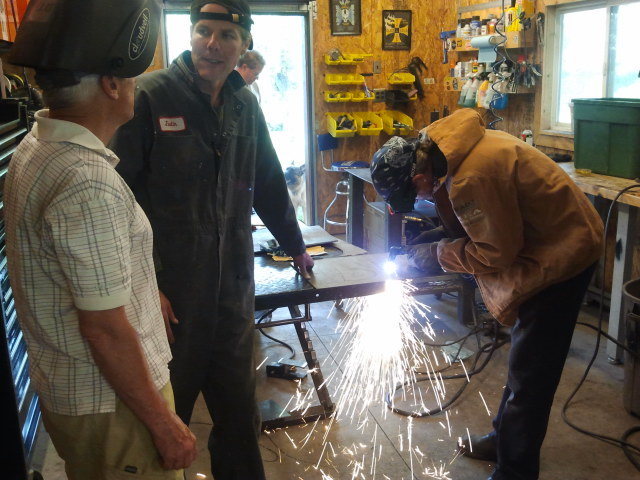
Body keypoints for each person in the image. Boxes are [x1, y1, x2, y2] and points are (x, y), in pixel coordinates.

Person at [109, 1, 313, 478]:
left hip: (232, 293)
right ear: (191, 34)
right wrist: (145, 283)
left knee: (240, 417)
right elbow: (119, 196)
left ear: (244, 45)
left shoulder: (245, 103)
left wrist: (295, 244)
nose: (212, 44)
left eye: (226, 35)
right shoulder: (149, 97)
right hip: (171, 297)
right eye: (203, 31)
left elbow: (267, 181)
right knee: (166, 419)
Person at [4, 1, 197, 479]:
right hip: (114, 408)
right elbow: (104, 330)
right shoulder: (85, 179)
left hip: (81, 398)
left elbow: (78, 270)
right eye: (130, 77)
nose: (134, 86)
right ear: (111, 84)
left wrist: (140, 289)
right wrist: (165, 425)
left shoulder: (38, 147)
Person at [370, 108, 604, 480]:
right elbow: (482, 225)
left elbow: (495, 253)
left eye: (414, 195)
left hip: (565, 252)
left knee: (532, 372)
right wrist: (439, 238)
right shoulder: (443, 151)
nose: (419, 201)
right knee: (523, 357)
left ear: (418, 177)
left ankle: (516, 470)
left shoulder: (470, 178)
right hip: (540, 238)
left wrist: (437, 254)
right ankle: (503, 439)